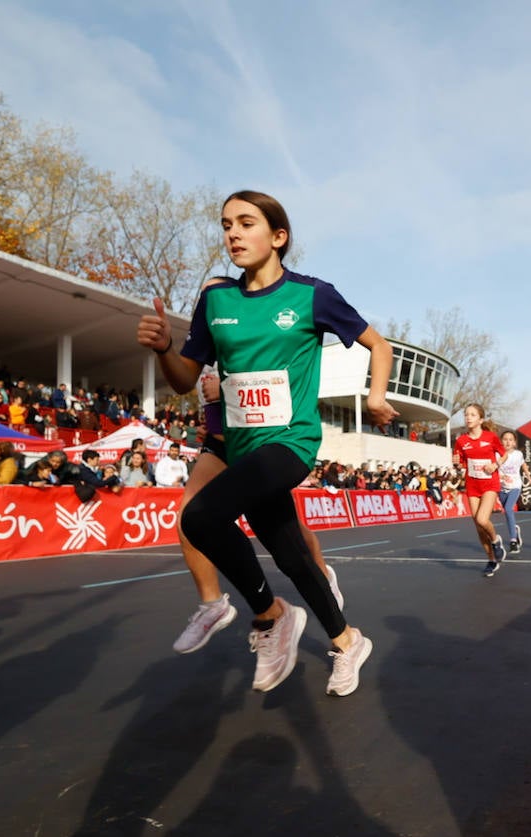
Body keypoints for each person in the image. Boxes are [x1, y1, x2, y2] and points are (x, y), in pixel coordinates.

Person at [137, 188, 397, 697]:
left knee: (200, 516)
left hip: (290, 443)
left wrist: (377, 395)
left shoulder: (312, 294)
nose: (232, 233)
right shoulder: (216, 299)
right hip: (240, 447)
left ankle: (270, 617)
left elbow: (378, 345)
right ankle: (348, 640)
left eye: (246, 223)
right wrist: (166, 348)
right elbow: (186, 380)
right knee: (290, 554)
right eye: (226, 224)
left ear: (278, 237)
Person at [169, 367, 346, 658]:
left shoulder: (249, 335)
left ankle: (324, 576)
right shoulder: (202, 345)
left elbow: (277, 387)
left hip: (257, 442)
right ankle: (213, 604)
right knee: (188, 517)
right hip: (218, 445)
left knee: (289, 534)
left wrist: (227, 392)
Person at [453, 403, 507, 577]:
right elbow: (459, 462)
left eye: (472, 415)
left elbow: (504, 454)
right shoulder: (461, 441)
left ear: (480, 419)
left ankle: (496, 540)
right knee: (478, 526)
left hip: (490, 483)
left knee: (482, 519)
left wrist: (495, 464)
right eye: (466, 415)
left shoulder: (490, 437)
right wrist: (456, 463)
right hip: (472, 484)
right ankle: (491, 560)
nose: (468, 417)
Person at [497, 430, 526, 555]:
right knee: (507, 512)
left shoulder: (518, 454)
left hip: (515, 485)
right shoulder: (497, 455)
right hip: (502, 487)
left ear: (514, 443)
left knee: (509, 509)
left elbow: (523, 464)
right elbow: (495, 470)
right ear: (501, 441)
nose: (508, 442)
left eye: (510, 439)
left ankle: (513, 541)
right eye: (505, 439)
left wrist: (528, 474)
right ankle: (514, 530)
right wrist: (502, 478)